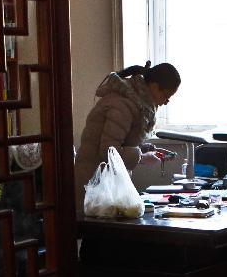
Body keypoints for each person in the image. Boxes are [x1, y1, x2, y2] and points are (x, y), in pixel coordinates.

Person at [74, 62, 181, 211]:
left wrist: (142, 149)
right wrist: (141, 157)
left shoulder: (136, 103)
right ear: (155, 86)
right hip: (93, 185)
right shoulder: (122, 104)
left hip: (103, 184)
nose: (165, 103)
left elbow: (120, 141)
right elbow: (108, 151)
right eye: (166, 96)